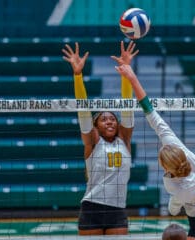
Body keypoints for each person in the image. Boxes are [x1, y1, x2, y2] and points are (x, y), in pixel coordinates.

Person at [115, 64, 195, 240]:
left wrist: (172, 206)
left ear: (165, 166)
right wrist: (132, 78)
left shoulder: (176, 186)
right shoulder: (182, 152)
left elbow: (173, 210)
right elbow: (151, 113)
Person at [62, 41, 138, 235]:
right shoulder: (93, 142)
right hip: (92, 208)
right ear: (96, 127)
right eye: (104, 120)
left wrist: (126, 72)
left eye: (112, 119)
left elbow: (127, 108)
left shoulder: (125, 140)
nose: (110, 122)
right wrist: (77, 75)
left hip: (118, 209)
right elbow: (84, 112)